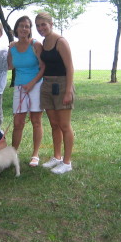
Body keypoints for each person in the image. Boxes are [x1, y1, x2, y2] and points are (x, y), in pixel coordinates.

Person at [35, 11, 75, 174]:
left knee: (64, 125)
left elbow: (70, 67)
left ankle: (67, 162)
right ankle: (57, 157)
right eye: (37, 26)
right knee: (54, 124)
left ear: (51, 24)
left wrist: (68, 91)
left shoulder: (61, 41)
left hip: (62, 84)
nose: (40, 28)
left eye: (43, 24)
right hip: (47, 85)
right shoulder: (43, 42)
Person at [7, 16, 45, 167]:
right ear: (16, 29)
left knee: (36, 121)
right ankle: (12, 154)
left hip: (36, 85)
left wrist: (32, 83)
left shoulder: (35, 45)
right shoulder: (12, 47)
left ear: (30, 30)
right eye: (21, 26)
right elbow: (9, 66)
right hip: (19, 87)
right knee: (18, 122)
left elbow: (43, 67)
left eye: (27, 26)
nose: (24, 29)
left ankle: (35, 155)